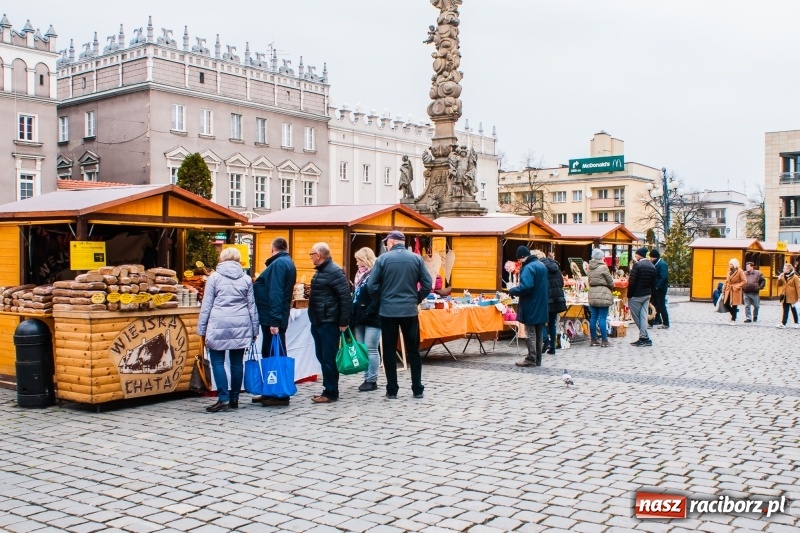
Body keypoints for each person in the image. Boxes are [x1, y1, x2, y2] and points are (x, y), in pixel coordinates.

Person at [367, 230, 432, 399]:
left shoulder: (382, 259)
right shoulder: (416, 258)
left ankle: (392, 389)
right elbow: (427, 284)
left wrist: (381, 300)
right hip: (409, 310)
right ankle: (417, 388)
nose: (386, 244)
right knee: (413, 350)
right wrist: (416, 299)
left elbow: (372, 285)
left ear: (392, 242)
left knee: (388, 350)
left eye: (387, 242)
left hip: (388, 311)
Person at [197, 247, 259, 412]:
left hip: (219, 324)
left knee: (217, 361)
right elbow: (252, 306)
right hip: (241, 323)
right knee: (236, 363)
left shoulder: (214, 278)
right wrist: (254, 330)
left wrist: (201, 329)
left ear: (222, 259)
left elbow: (206, 305)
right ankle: (235, 398)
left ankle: (223, 397)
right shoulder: (246, 279)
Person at [252, 237, 297, 406]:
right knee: (271, 353)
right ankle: (270, 390)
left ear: (273, 248)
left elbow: (276, 293)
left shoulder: (278, 264)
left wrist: (274, 321)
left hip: (272, 317)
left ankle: (279, 393)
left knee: (274, 354)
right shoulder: (286, 262)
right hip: (273, 316)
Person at [307, 242, 352, 403]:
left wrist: (343, 321)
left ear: (319, 255)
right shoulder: (321, 271)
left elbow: (345, 297)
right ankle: (328, 389)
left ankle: (331, 392)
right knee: (322, 356)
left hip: (329, 321)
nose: (311, 257)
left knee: (328, 357)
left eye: (312, 254)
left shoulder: (334, 271)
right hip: (318, 320)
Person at [510, 246, 549, 366]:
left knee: (530, 332)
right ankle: (538, 359)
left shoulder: (528, 268)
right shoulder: (541, 265)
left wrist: (513, 290)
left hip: (531, 304)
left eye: (519, 260)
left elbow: (526, 286)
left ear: (522, 257)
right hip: (541, 304)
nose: (519, 262)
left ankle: (531, 358)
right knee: (538, 333)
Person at [352, 247, 381, 392]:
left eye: (358, 260)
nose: (356, 263)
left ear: (365, 259)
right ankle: (366, 377)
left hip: (373, 315)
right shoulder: (358, 275)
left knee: (371, 348)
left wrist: (369, 311)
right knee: (362, 348)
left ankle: (372, 379)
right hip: (359, 315)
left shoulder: (376, 274)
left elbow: (378, 296)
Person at [538, 250, 567, 355]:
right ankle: (553, 348)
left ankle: (546, 342)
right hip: (557, 299)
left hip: (546, 299)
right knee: (552, 323)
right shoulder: (555, 266)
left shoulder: (541, 268)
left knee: (540, 322)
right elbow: (562, 282)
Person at [628, 247, 656, 347]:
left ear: (639, 255)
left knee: (637, 317)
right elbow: (654, 283)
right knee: (643, 316)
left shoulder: (638, 265)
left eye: (636, 254)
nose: (635, 256)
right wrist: (652, 296)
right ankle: (644, 338)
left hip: (637, 294)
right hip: (647, 294)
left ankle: (644, 337)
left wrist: (629, 295)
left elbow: (632, 282)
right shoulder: (652, 266)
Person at [586, 248, 614, 347]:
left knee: (593, 317)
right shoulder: (603, 267)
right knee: (603, 317)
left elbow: (589, 280)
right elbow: (610, 281)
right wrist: (610, 288)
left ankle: (593, 339)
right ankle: (604, 340)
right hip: (603, 292)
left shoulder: (590, 267)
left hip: (593, 292)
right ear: (601, 257)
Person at [648, 249, 670, 329]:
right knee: (654, 304)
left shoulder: (662, 264)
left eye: (651, 257)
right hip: (655, 288)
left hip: (660, 289)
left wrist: (657, 286)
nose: (650, 259)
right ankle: (656, 320)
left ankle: (666, 323)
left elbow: (664, 277)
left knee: (661, 305)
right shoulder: (656, 264)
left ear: (655, 257)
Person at [722, 258, 746, 324]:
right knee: (726, 303)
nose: (729, 265)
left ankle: (733, 319)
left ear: (734, 264)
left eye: (731, 264)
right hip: (729, 289)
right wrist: (724, 289)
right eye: (729, 264)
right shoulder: (728, 270)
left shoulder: (740, 271)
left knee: (734, 305)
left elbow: (744, 281)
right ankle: (733, 314)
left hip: (735, 290)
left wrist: (737, 286)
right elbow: (727, 280)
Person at [776, 262, 800, 328]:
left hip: (792, 296)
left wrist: (799, 297)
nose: (783, 269)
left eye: (784, 268)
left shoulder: (794, 277)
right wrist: (779, 279)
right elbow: (779, 285)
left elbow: (798, 287)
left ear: (789, 269)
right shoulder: (783, 276)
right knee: (785, 310)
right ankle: (783, 324)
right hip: (785, 296)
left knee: (793, 310)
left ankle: (796, 323)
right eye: (783, 268)